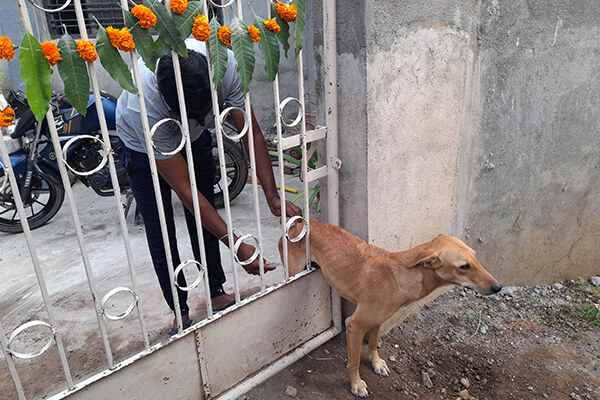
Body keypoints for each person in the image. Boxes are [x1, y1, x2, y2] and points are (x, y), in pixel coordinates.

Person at [116, 38, 302, 333]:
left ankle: (215, 291)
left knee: (205, 217)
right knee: (162, 229)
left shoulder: (225, 65)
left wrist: (272, 194)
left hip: (194, 137)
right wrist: (238, 245)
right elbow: (186, 191)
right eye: (195, 114)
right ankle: (180, 311)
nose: (206, 118)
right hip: (143, 147)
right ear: (164, 97)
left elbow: (249, 132)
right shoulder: (143, 109)